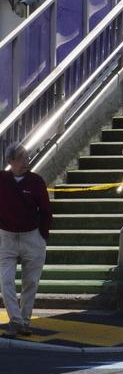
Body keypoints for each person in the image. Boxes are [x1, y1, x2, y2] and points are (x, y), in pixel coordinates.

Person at [0, 143, 52, 338]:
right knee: (6, 281)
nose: (26, 161)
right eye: (21, 157)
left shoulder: (36, 181)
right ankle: (15, 320)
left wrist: (43, 234)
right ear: (10, 161)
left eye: (27, 157)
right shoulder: (2, 180)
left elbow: (46, 210)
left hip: (32, 236)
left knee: (30, 281)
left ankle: (25, 320)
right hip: (7, 236)